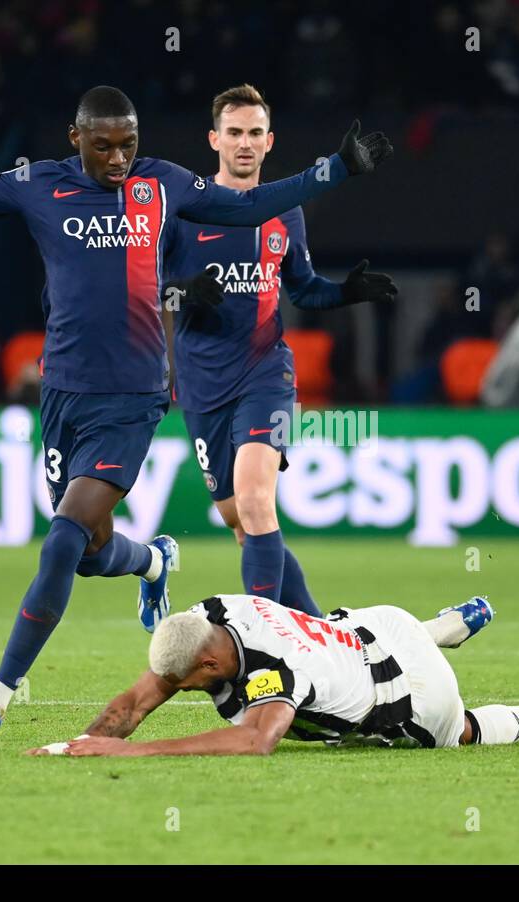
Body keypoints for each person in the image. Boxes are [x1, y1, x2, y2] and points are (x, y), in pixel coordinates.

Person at [0, 86, 392, 742]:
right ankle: (151, 563)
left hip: (133, 400)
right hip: (64, 394)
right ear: (76, 139)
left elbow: (252, 205)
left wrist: (336, 168)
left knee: (64, 537)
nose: (120, 157)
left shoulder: (164, 186)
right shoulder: (38, 185)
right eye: (104, 146)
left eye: (129, 143)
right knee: (93, 554)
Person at [162, 84, 397, 616]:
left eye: (254, 134)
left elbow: (302, 288)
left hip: (265, 371)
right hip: (201, 384)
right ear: (214, 139)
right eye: (234, 133)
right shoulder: (183, 213)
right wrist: (182, 295)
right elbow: (149, 289)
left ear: (270, 142)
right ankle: (320, 633)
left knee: (254, 499)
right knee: (242, 524)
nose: (244, 143)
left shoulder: (284, 214)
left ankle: (268, 649)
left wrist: (344, 293)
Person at [29, 594, 519, 757]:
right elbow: (136, 700)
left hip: (415, 693)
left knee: (462, 733)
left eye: (187, 684)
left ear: (209, 664)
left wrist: (134, 753)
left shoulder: (271, 672)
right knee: (347, 632)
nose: (172, 691)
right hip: (384, 623)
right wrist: (85, 740)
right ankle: (452, 624)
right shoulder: (211, 617)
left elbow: (257, 740)